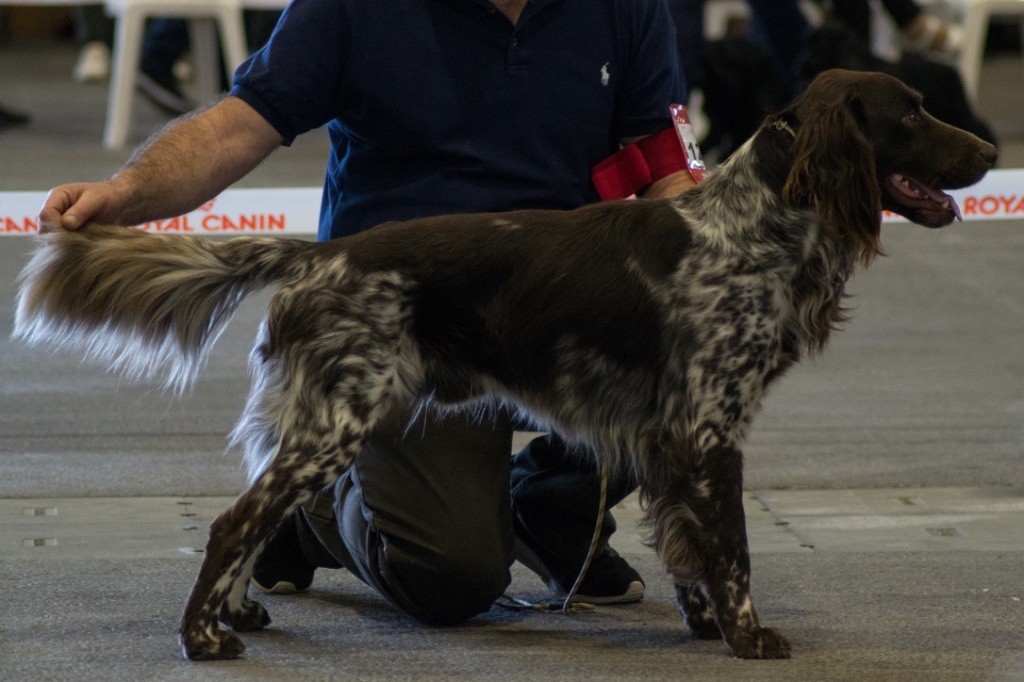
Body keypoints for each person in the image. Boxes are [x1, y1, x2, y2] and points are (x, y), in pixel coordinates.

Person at [41, 0, 696, 626]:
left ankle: (555, 510)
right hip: (406, 320)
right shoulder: (354, 6)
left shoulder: (625, 7)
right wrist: (125, 194)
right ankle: (314, 506)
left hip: (557, 310)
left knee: (698, 365)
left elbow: (667, 174)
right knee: (451, 576)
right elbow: (234, 128)